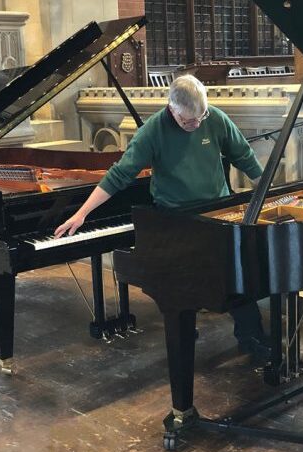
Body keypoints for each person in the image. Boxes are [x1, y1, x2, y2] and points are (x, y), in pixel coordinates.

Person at [54, 75, 270, 360]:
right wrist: (82, 213)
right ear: (172, 108)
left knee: (236, 274)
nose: (196, 125)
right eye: (188, 121)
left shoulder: (214, 118)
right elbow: (119, 175)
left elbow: (244, 156)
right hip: (174, 218)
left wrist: (268, 192)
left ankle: (252, 339)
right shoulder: (153, 131)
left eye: (200, 117)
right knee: (182, 285)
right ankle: (183, 331)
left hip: (217, 212)